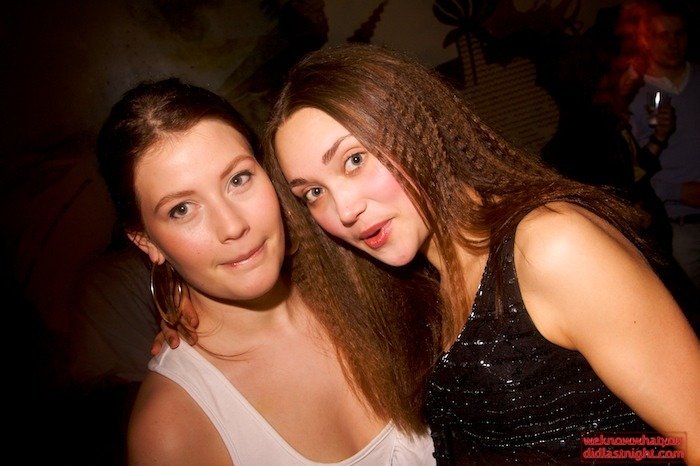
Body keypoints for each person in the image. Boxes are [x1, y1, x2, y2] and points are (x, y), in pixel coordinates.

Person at [261, 44, 699, 464]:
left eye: (354, 160)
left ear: (416, 127)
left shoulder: (550, 247)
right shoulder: (425, 288)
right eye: (313, 192)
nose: (344, 210)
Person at [96, 77, 439, 465]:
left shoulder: (365, 271)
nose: (232, 226)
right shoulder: (172, 431)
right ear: (146, 241)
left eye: (238, 179)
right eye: (182, 210)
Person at [628, 0, 700, 291]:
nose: (672, 43)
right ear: (645, 40)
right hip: (678, 226)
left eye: (678, 34)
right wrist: (677, 191)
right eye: (662, 35)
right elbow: (628, 173)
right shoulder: (632, 95)